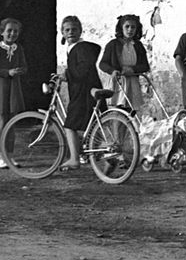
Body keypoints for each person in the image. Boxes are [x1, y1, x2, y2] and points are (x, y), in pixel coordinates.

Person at [55, 15, 103, 170]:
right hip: (89, 90)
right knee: (94, 125)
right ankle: (108, 160)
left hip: (83, 92)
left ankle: (74, 159)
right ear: (62, 32)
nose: (70, 32)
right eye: (67, 30)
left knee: (70, 125)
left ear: (81, 30)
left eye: (74, 29)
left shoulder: (80, 48)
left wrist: (66, 75)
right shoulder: (78, 48)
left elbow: (83, 70)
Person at [0, 17, 29, 168]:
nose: (12, 34)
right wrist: (7, 72)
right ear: (2, 32)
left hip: (13, 88)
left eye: (15, 31)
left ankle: (10, 156)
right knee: (1, 122)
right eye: (9, 31)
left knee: (12, 123)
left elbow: (24, 66)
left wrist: (20, 70)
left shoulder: (18, 49)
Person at [98, 14, 152, 110]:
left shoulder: (138, 46)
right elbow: (102, 64)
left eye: (133, 27)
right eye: (127, 26)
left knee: (131, 111)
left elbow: (145, 66)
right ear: (121, 28)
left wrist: (133, 69)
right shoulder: (113, 44)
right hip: (118, 81)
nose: (130, 30)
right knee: (118, 110)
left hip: (132, 81)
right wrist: (112, 70)